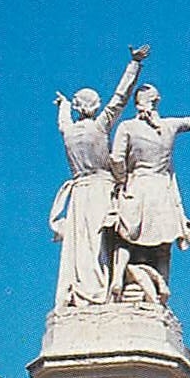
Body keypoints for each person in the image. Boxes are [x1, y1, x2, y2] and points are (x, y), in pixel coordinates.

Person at [50, 45, 149, 309]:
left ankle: (82, 292)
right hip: (101, 190)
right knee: (104, 242)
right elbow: (121, 97)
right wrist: (135, 64)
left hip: (79, 194)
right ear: (94, 106)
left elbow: (62, 122)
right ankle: (102, 292)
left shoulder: (69, 131)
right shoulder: (100, 125)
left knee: (79, 245)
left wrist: (63, 106)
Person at [110, 85, 190, 304]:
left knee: (125, 236)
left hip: (138, 186)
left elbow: (116, 159)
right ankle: (162, 290)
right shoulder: (169, 125)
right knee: (163, 245)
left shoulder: (127, 127)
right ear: (156, 101)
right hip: (161, 191)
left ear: (137, 103)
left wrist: (120, 180)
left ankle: (118, 277)